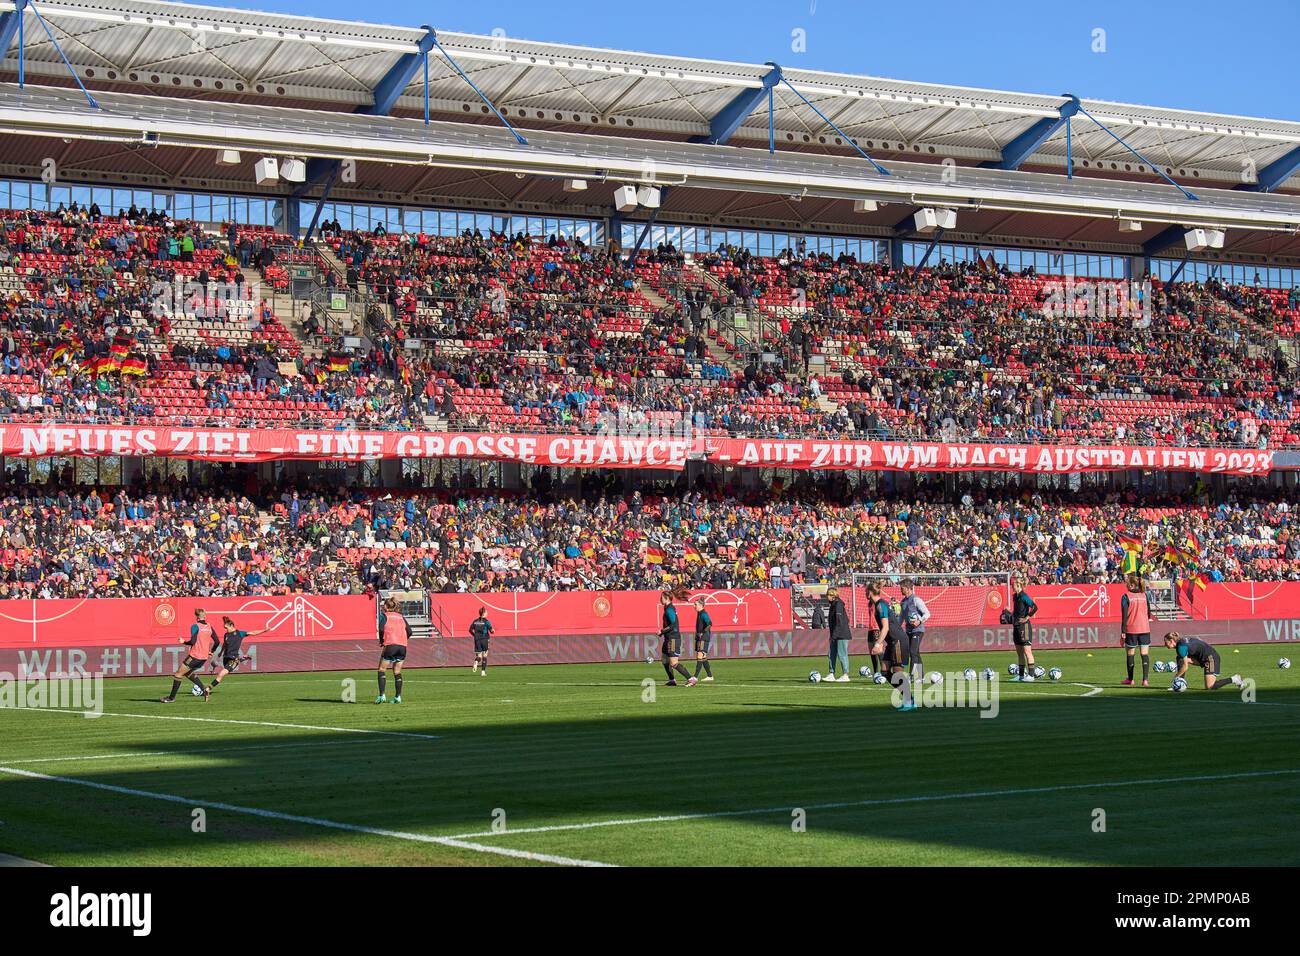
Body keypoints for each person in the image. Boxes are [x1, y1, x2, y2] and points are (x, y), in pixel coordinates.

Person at [160, 608, 215, 703]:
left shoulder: (195, 626)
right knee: (187, 673)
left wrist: (183, 642)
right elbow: (217, 642)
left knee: (178, 674)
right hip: (203, 658)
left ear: (197, 617)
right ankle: (204, 690)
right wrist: (210, 651)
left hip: (194, 656)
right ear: (204, 616)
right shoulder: (209, 626)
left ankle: (171, 698)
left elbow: (193, 642)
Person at [1164, 631, 1242, 692]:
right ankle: (1178, 684)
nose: (1165, 644)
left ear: (1171, 641)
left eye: (1165, 642)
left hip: (1211, 658)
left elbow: (1185, 667)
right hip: (1202, 658)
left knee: (1210, 687)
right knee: (1180, 658)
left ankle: (1235, 679)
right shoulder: (1181, 642)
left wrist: (1175, 677)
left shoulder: (1181, 647)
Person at [207, 616, 268, 692]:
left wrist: (264, 630)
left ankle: (208, 689)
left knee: (221, 674)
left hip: (233, 659)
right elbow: (225, 644)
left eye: (227, 628)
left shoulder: (240, 633)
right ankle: (243, 658)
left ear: (232, 626)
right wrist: (221, 652)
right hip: (226, 657)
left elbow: (253, 633)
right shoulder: (226, 635)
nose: (226, 630)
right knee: (221, 668)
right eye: (225, 628)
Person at [376, 598, 412, 704]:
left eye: (384, 605)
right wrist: (403, 639)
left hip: (391, 645)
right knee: (397, 672)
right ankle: (398, 697)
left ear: (387, 606)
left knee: (382, 670)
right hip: (402, 646)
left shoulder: (384, 615)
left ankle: (382, 695)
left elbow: (381, 629)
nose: (383, 607)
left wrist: (382, 641)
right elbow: (409, 631)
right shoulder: (401, 616)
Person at [1120, 574, 1152, 687]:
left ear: (1132, 585)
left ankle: (1131, 679)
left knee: (1130, 654)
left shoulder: (1126, 596)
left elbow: (1124, 616)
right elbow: (1149, 612)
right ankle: (1145, 680)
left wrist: (1122, 632)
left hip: (1131, 628)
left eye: (1127, 583)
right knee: (1144, 654)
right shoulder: (1144, 595)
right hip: (1145, 628)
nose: (1126, 585)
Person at [659, 591, 697, 687]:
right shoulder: (667, 608)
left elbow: (673, 625)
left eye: (662, 597)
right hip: (668, 638)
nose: (660, 599)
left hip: (673, 638)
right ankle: (672, 680)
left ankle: (691, 679)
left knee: (673, 663)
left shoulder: (669, 609)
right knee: (664, 659)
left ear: (667, 598)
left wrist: (662, 631)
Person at [899, 580, 931, 685]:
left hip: (918, 630)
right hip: (908, 630)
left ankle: (911, 677)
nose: (900, 590)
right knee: (915, 653)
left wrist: (919, 621)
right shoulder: (903, 602)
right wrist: (897, 628)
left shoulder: (916, 600)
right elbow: (901, 617)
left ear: (908, 588)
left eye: (902, 588)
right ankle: (921, 677)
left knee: (912, 652)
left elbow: (927, 613)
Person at [1008, 575, 1039, 682]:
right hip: (1016, 625)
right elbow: (1016, 611)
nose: (1012, 587)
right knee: (1019, 652)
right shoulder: (1015, 597)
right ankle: (1021, 676)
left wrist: (1027, 617)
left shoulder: (1024, 596)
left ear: (1019, 586)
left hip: (1024, 626)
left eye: (1013, 586)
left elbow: (1035, 607)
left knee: (1027, 651)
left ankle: (1031, 676)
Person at [825, 585, 852, 681]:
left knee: (842, 654)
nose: (826, 597)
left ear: (833, 596)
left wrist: (834, 635)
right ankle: (831, 673)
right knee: (832, 653)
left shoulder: (838, 604)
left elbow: (839, 621)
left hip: (841, 634)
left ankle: (845, 674)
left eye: (828, 595)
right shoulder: (833, 605)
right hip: (835, 634)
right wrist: (832, 635)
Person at [692, 597, 714, 682]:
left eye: (695, 604)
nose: (694, 606)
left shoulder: (704, 613)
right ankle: (710, 676)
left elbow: (709, 623)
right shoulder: (699, 613)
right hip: (700, 637)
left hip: (703, 637)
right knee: (703, 656)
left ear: (701, 605)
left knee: (699, 655)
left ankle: (695, 677)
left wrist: (702, 632)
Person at [470, 607, 494, 676]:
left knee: (479, 656)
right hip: (484, 639)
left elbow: (470, 630)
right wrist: (493, 631)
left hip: (477, 640)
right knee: (485, 656)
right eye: (486, 612)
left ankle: (476, 661)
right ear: (484, 613)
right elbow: (491, 630)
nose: (487, 613)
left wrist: (474, 635)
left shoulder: (475, 621)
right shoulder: (486, 621)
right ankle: (483, 672)